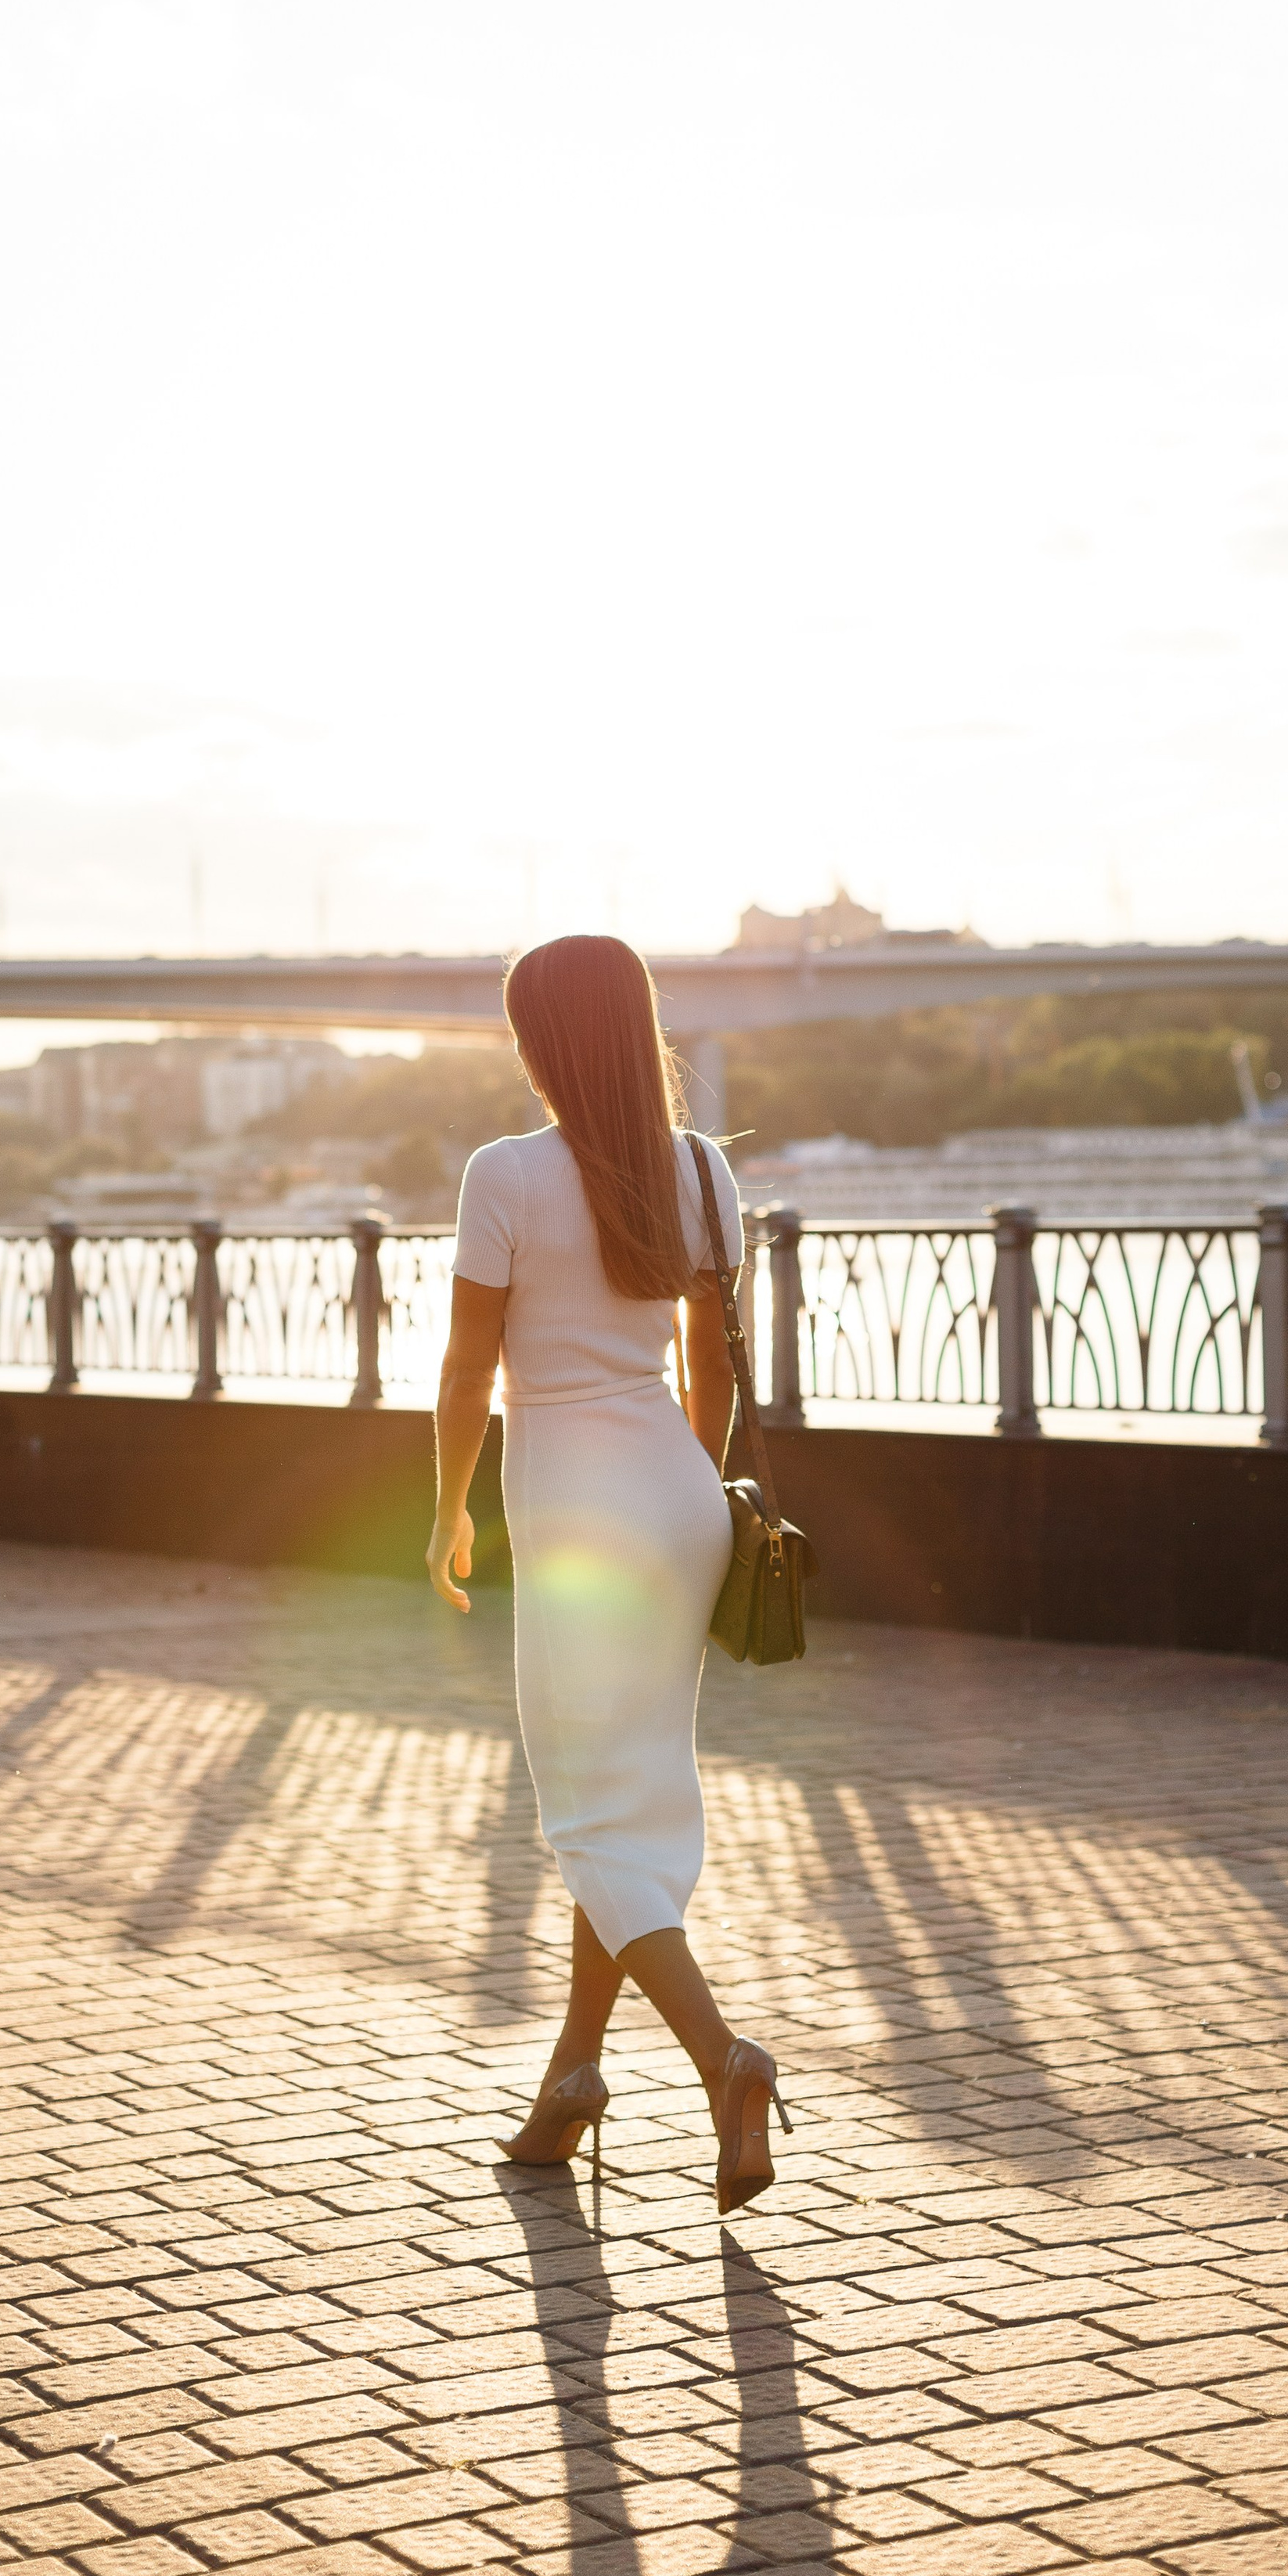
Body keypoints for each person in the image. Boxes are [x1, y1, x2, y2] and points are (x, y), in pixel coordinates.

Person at [426, 932, 792, 2214]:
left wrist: (445, 1506)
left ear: (542, 1042)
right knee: (627, 1794)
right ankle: (573, 2074)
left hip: (575, 1512)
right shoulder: (700, 1168)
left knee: (586, 1811)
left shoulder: (505, 1174)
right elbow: (715, 1363)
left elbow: (468, 1369)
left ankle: (725, 2060)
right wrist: (686, 1489)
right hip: (679, 1500)